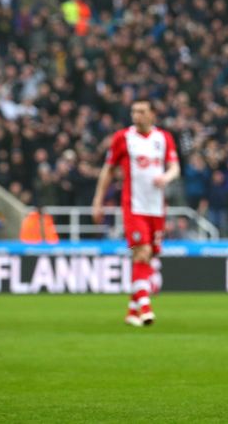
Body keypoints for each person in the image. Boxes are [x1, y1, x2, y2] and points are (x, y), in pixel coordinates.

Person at [92, 98, 180, 327]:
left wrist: (166, 178)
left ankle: (132, 312)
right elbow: (108, 170)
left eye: (141, 111)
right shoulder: (123, 138)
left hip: (156, 207)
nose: (136, 115)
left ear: (152, 114)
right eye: (134, 111)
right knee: (142, 251)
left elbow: (175, 167)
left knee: (149, 256)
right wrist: (98, 201)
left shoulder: (163, 138)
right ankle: (146, 307)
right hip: (134, 206)